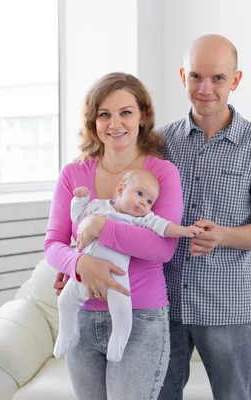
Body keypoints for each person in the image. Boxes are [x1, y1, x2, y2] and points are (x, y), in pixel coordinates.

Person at [55, 34, 251, 400]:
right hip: (165, 303)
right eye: (196, 76)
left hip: (225, 302)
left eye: (218, 78)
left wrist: (223, 236)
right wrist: (78, 261)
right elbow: (120, 213)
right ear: (183, 76)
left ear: (236, 80)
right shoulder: (160, 142)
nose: (205, 88)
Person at [44, 72, 184, 399]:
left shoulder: (161, 174)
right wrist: (80, 264)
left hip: (141, 318)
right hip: (81, 318)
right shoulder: (73, 175)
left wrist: (101, 228)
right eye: (104, 114)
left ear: (142, 117)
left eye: (125, 112)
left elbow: (161, 247)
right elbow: (53, 245)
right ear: (93, 121)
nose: (114, 123)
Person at [54, 168, 202, 362]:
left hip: (117, 279)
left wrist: (185, 231)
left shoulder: (142, 219)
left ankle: (118, 340)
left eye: (149, 201)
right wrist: (79, 201)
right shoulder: (99, 206)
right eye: (140, 194)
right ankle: (67, 332)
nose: (143, 202)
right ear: (121, 188)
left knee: (122, 310)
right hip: (85, 273)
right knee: (65, 301)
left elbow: (165, 228)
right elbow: (78, 217)